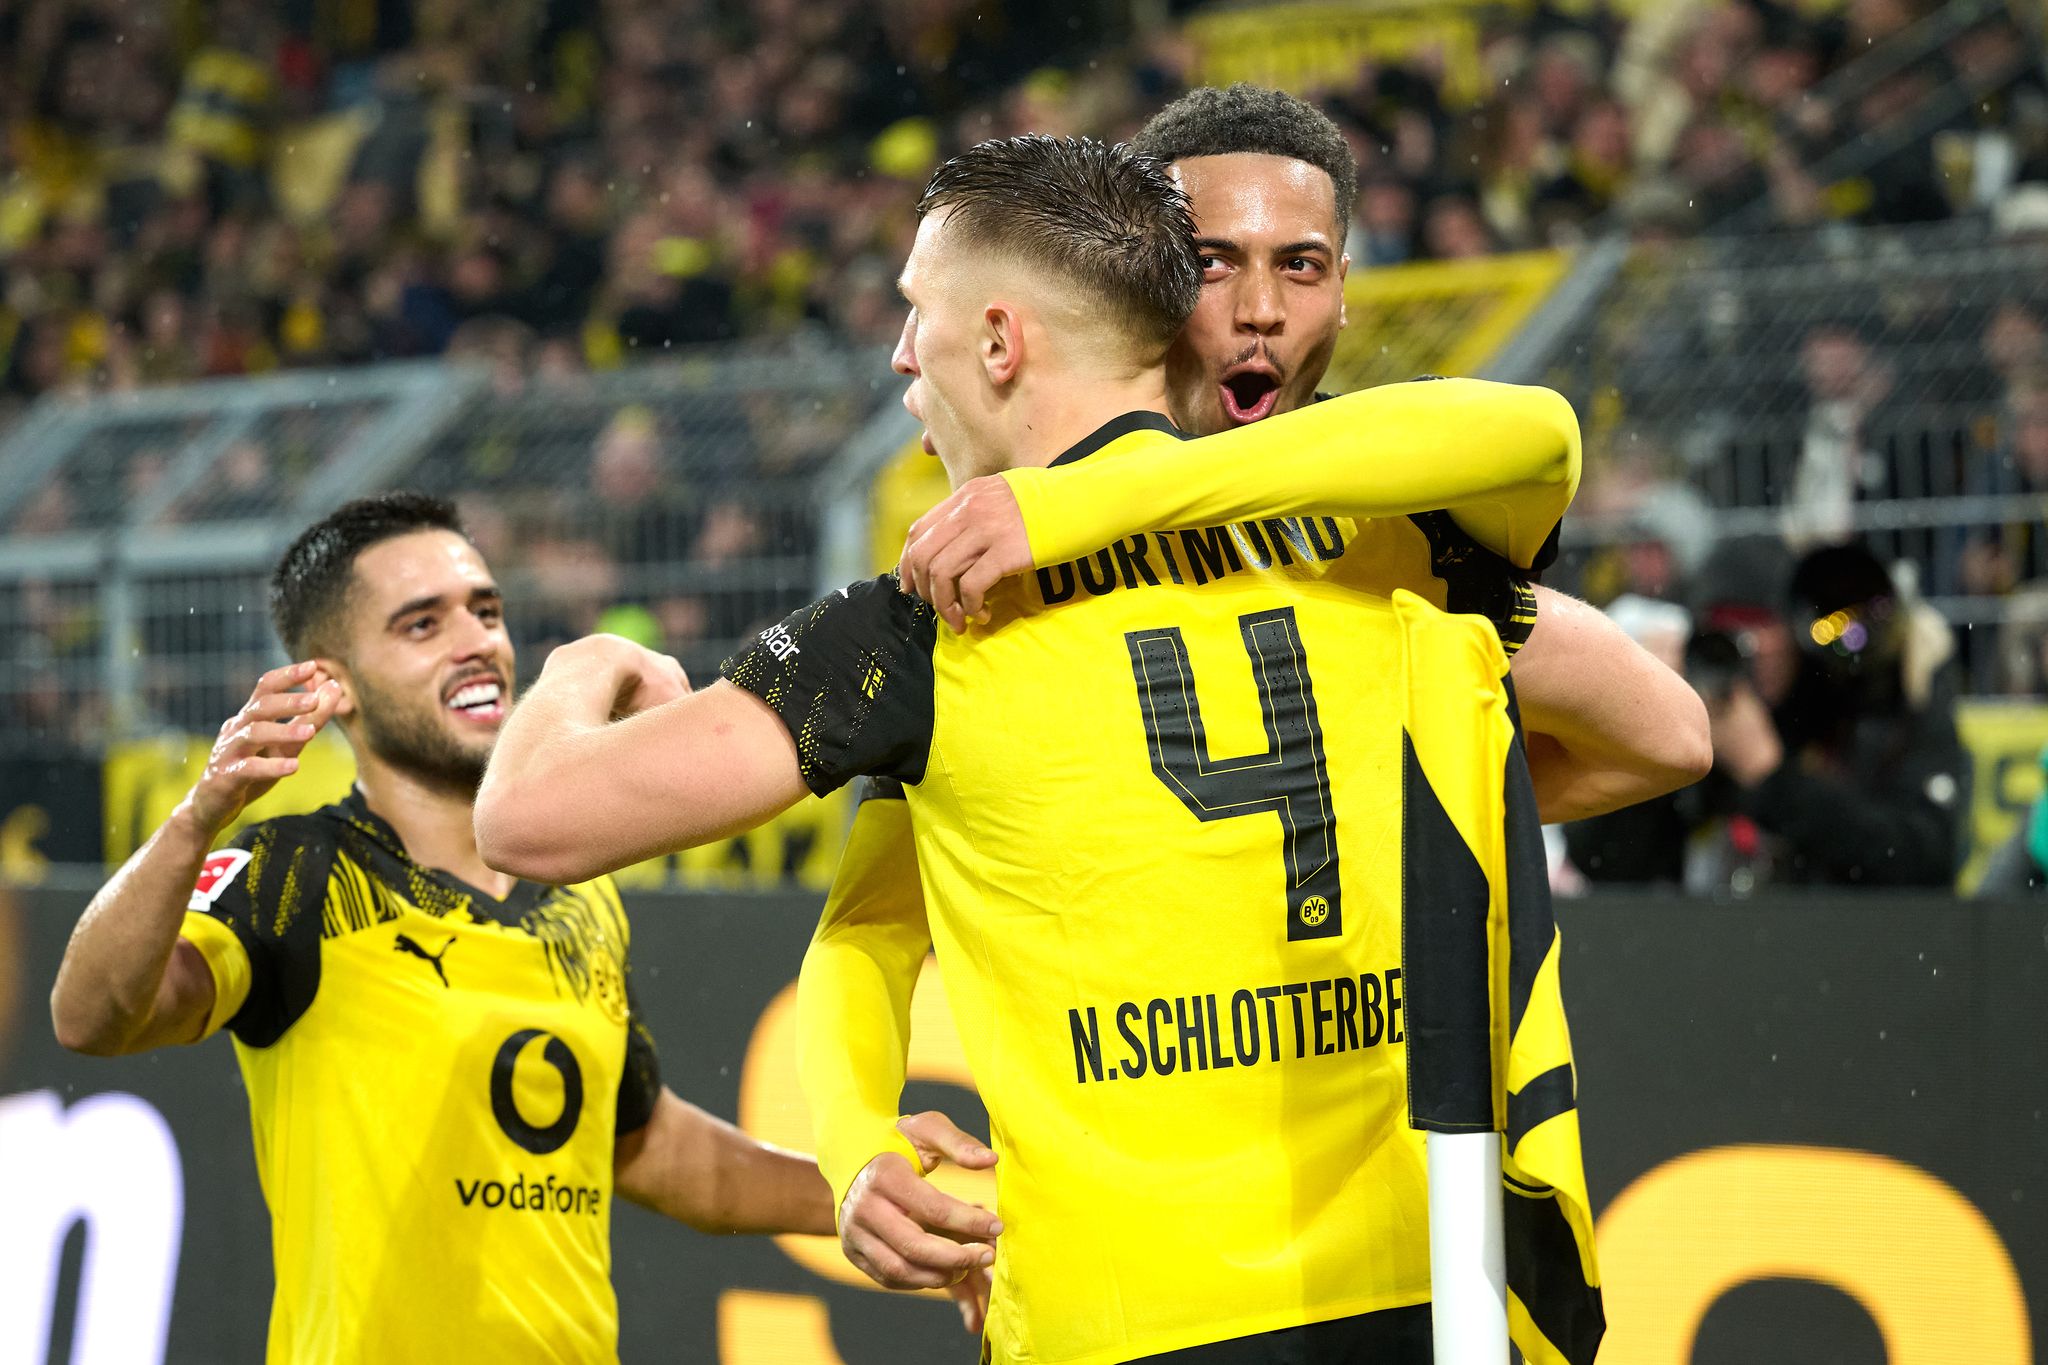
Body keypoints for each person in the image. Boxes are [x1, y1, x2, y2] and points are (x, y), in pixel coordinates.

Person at [478, 135, 1586, 1363]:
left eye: (918, 312)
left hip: (1121, 1318)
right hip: (1422, 1287)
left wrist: (578, 671)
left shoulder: (929, 627)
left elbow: (527, 820)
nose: (902, 353)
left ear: (999, 342)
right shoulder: (1376, 547)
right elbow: (1567, 500)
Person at [802, 82, 1705, 1303]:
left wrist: (1381, 813)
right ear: (1137, 279)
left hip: (1381, 1260)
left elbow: (1662, 728)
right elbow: (868, 920)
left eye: (1302, 265)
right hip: (1136, 1270)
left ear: (1345, 286)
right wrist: (852, 1143)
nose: (1261, 310)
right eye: (1214, 262)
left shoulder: (1370, 532)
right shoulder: (996, 547)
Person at [48, 492, 840, 1363]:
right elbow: (91, 1017)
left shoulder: (579, 896)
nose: (477, 642)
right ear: (331, 683)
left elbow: (645, 1144)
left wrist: (863, 1194)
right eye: (422, 624)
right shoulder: (297, 876)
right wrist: (196, 818)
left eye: (486, 611)